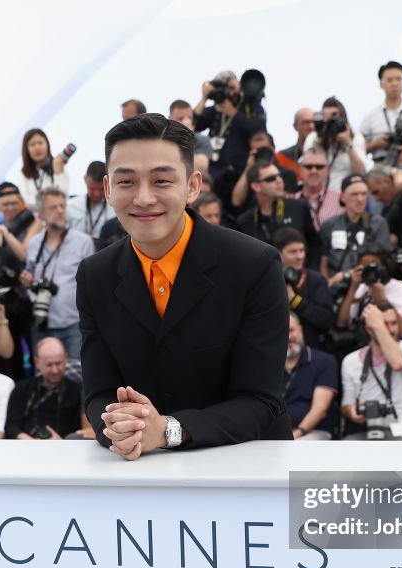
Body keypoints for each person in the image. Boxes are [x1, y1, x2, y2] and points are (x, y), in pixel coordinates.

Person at [77, 113, 292, 460]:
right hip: (142, 472)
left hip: (248, 467)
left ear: (192, 186)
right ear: (107, 190)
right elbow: (98, 393)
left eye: (162, 181)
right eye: (127, 182)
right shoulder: (94, 275)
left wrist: (167, 430)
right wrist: (120, 428)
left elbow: (260, 400)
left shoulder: (253, 264)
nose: (144, 198)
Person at [22, 188, 95, 359]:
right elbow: (30, 281)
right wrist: (27, 281)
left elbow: (93, 286)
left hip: (74, 325)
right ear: (41, 214)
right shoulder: (33, 244)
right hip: (42, 323)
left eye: (63, 206)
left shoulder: (83, 242)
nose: (60, 211)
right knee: (43, 379)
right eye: (53, 207)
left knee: (77, 378)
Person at [340, 302, 402, 439]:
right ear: (368, 329)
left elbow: (398, 363)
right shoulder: (351, 361)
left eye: (394, 323)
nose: (391, 330)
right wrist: (352, 411)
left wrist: (378, 325)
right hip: (366, 431)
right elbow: (346, 405)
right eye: (385, 324)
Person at [235, 161, 319, 265]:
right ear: (256, 186)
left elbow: (315, 245)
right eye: (271, 179)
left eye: (279, 176)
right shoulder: (246, 221)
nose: (279, 181)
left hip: (300, 276)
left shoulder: (298, 207)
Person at [4, 337, 88, 440]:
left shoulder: (77, 390)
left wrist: (62, 442)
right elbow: (10, 426)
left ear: (66, 358)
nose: (55, 370)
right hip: (26, 446)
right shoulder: (22, 388)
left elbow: (82, 431)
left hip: (64, 447)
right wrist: (30, 442)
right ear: (37, 362)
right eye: (49, 365)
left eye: (59, 363)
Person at [193, 69, 267, 185]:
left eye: (232, 88)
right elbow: (192, 125)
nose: (231, 93)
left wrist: (234, 114)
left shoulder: (251, 106)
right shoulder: (216, 109)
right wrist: (204, 98)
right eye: (227, 89)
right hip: (215, 172)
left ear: (239, 84)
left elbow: (260, 131)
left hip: (241, 172)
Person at [319, 174, 391, 292]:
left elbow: (383, 261)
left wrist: (346, 275)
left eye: (364, 194)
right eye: (354, 194)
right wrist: (326, 285)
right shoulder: (329, 225)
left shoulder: (378, 224)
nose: (360, 199)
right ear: (342, 197)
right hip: (335, 286)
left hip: (367, 286)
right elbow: (323, 261)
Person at [335, 243, 402, 340]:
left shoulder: (399, 287)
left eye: (373, 267)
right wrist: (353, 288)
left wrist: (382, 300)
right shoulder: (361, 287)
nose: (369, 272)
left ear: (385, 266)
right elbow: (342, 323)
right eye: (364, 268)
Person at [273, 229, 334, 348]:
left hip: (310, 350)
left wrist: (295, 301)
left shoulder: (317, 280)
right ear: (279, 254)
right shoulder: (268, 280)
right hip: (276, 349)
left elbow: (326, 320)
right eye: (293, 252)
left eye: (301, 250)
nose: (299, 256)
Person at [360, 60, 402, 172]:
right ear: (381, 84)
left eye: (398, 79)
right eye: (389, 80)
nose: (394, 84)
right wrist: (377, 144)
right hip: (380, 170)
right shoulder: (370, 116)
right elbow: (357, 148)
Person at [284, 312, 337, 440]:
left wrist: (295, 435)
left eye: (291, 330)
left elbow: (320, 409)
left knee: (296, 449)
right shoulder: (269, 365)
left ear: (301, 330)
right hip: (278, 432)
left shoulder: (324, 361)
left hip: (311, 432)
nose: (289, 337)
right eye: (282, 332)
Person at [302, 96, 367, 191]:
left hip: (344, 194)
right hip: (320, 195)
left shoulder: (356, 138)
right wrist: (319, 141)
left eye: (333, 117)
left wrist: (348, 143)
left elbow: (360, 172)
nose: (328, 122)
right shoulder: (313, 138)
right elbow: (306, 168)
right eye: (325, 117)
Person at [365, 165, 402, 248]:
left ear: (387, 181)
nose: (377, 199)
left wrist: (393, 171)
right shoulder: (386, 211)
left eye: (376, 192)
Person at [16, 128, 71, 209]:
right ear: (26, 149)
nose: (37, 148)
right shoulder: (23, 173)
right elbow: (25, 200)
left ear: (47, 145)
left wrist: (57, 171)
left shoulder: (58, 166)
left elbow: (63, 195)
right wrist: (48, 204)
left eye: (40, 143)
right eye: (32, 145)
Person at [292, 147, 341, 230]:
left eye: (319, 167)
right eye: (308, 167)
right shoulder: (291, 200)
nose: (313, 171)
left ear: (328, 171)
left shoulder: (340, 202)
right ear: (300, 170)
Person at [67, 161, 116, 242]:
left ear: (107, 183)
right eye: (92, 189)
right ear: (85, 180)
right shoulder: (71, 206)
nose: (96, 194)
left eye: (101, 189)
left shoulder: (116, 207)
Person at [0, 182, 41, 260]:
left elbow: (24, 255)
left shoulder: (33, 222)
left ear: (21, 202)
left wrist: (6, 234)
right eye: (5, 204)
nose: (10, 208)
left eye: (14, 203)